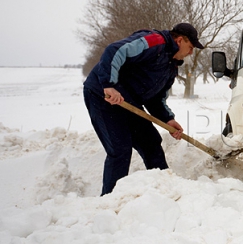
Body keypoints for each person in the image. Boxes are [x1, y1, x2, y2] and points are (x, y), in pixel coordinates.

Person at [83, 23, 205, 195]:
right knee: (120, 149)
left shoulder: (171, 68)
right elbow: (116, 50)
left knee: (151, 142)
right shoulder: (155, 41)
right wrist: (108, 84)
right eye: (190, 47)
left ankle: (166, 189)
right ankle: (110, 200)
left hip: (128, 102)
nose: (191, 52)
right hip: (103, 95)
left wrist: (168, 119)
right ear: (179, 40)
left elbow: (156, 99)